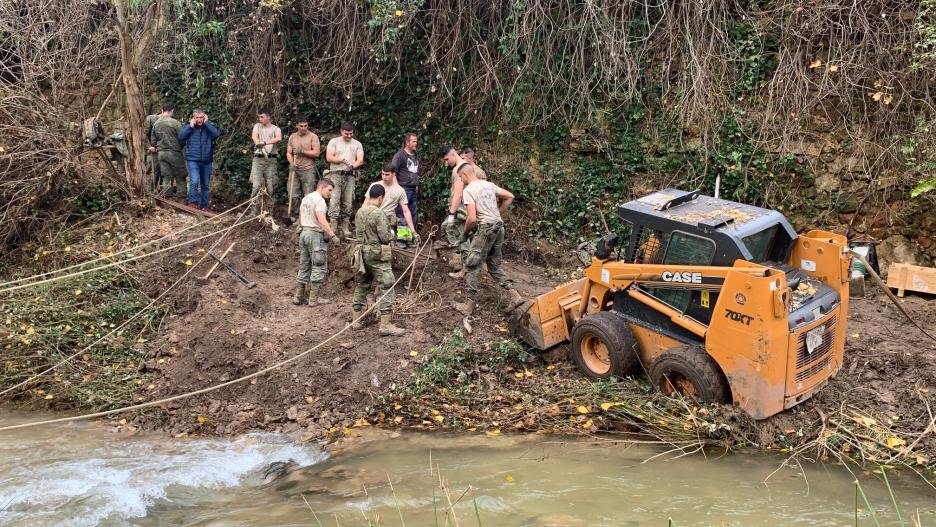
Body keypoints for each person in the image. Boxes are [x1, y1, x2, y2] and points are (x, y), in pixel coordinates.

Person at [452, 163, 523, 316]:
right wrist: (497, 213)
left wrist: (464, 234)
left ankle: (468, 305)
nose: (460, 180)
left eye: (460, 177)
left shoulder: (469, 190)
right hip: (499, 227)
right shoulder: (488, 185)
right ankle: (515, 296)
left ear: (464, 175)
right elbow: (510, 196)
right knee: (493, 265)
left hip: (486, 228)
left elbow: (471, 219)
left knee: (471, 264)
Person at [350, 184, 405, 336]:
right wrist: (392, 231)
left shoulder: (360, 212)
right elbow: (385, 237)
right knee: (387, 284)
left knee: (362, 284)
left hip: (361, 253)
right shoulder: (379, 214)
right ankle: (385, 325)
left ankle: (356, 320)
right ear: (381, 197)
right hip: (376, 254)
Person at [294, 178, 339, 306]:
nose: (330, 193)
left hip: (304, 233)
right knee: (318, 266)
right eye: (329, 190)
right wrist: (332, 235)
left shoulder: (307, 198)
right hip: (315, 236)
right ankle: (313, 299)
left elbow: (301, 216)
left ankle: (298, 296)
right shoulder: (320, 201)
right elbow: (322, 220)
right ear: (322, 187)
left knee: (304, 264)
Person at [325, 121, 364, 239]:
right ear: (341, 131)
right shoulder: (334, 142)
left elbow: (360, 160)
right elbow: (329, 157)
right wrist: (341, 159)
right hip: (335, 174)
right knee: (334, 200)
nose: (349, 136)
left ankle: (345, 228)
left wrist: (354, 165)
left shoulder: (357, 144)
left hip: (350, 175)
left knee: (348, 201)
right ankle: (333, 228)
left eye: (351, 133)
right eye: (347, 134)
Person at [178, 109, 220, 210]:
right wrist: (190, 126)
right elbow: (180, 137)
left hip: (206, 160)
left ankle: (204, 204)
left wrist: (207, 123)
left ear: (205, 117)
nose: (199, 120)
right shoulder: (189, 127)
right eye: (197, 117)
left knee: (205, 184)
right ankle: (193, 203)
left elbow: (216, 134)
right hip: (193, 159)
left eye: (201, 117)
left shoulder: (209, 127)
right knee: (194, 181)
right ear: (194, 118)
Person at [367, 163, 417, 246]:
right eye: (382, 174)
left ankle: (404, 239)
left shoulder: (399, 190)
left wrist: (414, 232)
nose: (384, 177)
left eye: (387, 174)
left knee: (402, 219)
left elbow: (406, 211)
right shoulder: (375, 186)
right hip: (374, 217)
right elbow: (365, 205)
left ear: (393, 174)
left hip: (388, 220)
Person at [440, 145, 470, 276]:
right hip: (464, 208)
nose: (447, 163)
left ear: (453, 154)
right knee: (457, 234)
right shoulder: (466, 165)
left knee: (458, 236)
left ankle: (465, 268)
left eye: (447, 159)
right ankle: (459, 262)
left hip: (460, 210)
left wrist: (452, 213)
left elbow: (458, 193)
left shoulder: (458, 169)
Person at [285, 115, 321, 214]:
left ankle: (306, 215)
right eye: (301, 126)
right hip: (295, 168)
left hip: (308, 169)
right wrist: (291, 163)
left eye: (305, 125)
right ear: (296, 126)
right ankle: (296, 214)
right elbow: (289, 152)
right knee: (292, 194)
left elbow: (317, 153)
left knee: (308, 194)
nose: (304, 128)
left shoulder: (313, 136)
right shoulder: (292, 137)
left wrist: (303, 151)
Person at [250, 108, 282, 215]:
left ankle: (269, 212)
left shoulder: (276, 128)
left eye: (262, 117)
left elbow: (278, 138)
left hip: (271, 160)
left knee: (270, 187)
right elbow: (254, 136)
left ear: (268, 117)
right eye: (259, 117)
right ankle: (253, 211)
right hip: (258, 159)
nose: (260, 119)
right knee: (256, 186)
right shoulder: (257, 126)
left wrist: (264, 143)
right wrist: (258, 143)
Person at [150, 103, 187, 196]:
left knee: (166, 176)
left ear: (162, 110)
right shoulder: (175, 123)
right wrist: (181, 147)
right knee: (180, 176)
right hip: (174, 153)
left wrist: (155, 147)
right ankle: (181, 197)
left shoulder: (156, 123)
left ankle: (167, 197)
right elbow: (182, 138)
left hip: (161, 154)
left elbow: (153, 141)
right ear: (172, 111)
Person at [390, 133, 419, 229]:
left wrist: (416, 185)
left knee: (413, 213)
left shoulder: (415, 154)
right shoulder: (399, 155)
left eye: (416, 141)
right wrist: (397, 188)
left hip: (413, 189)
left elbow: (415, 172)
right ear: (407, 142)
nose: (416, 143)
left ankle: (411, 238)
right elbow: (393, 172)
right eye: (414, 141)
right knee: (402, 214)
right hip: (403, 189)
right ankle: (402, 240)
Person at [144, 109, 163, 192]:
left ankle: (162, 191)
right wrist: (149, 146)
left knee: (163, 172)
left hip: (163, 150)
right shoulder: (150, 119)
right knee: (152, 171)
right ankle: (150, 192)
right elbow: (144, 133)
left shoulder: (170, 120)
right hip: (152, 150)